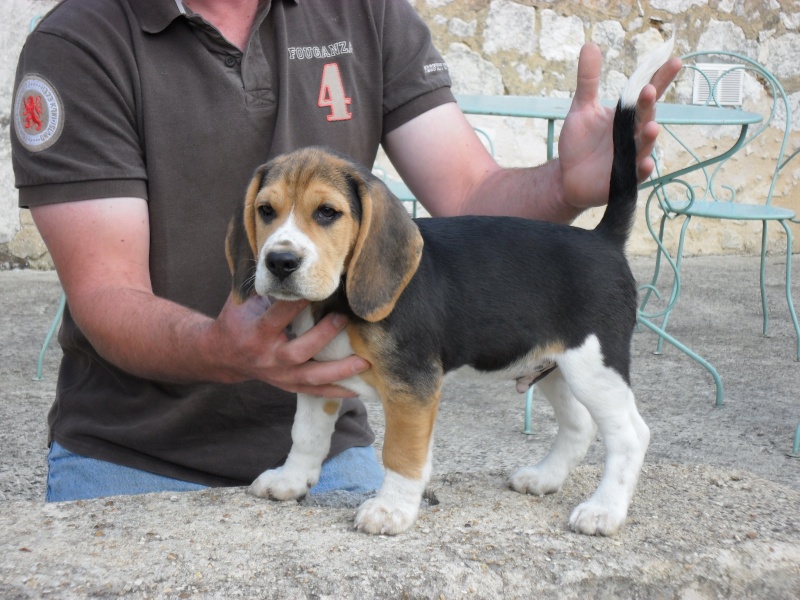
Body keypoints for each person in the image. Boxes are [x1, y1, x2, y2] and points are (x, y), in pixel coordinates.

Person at [11, 0, 681, 502]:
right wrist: (220, 350)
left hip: (339, 453)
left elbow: (471, 193)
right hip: (131, 456)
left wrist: (561, 184)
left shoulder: (363, 9)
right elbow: (105, 294)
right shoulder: (81, 41)